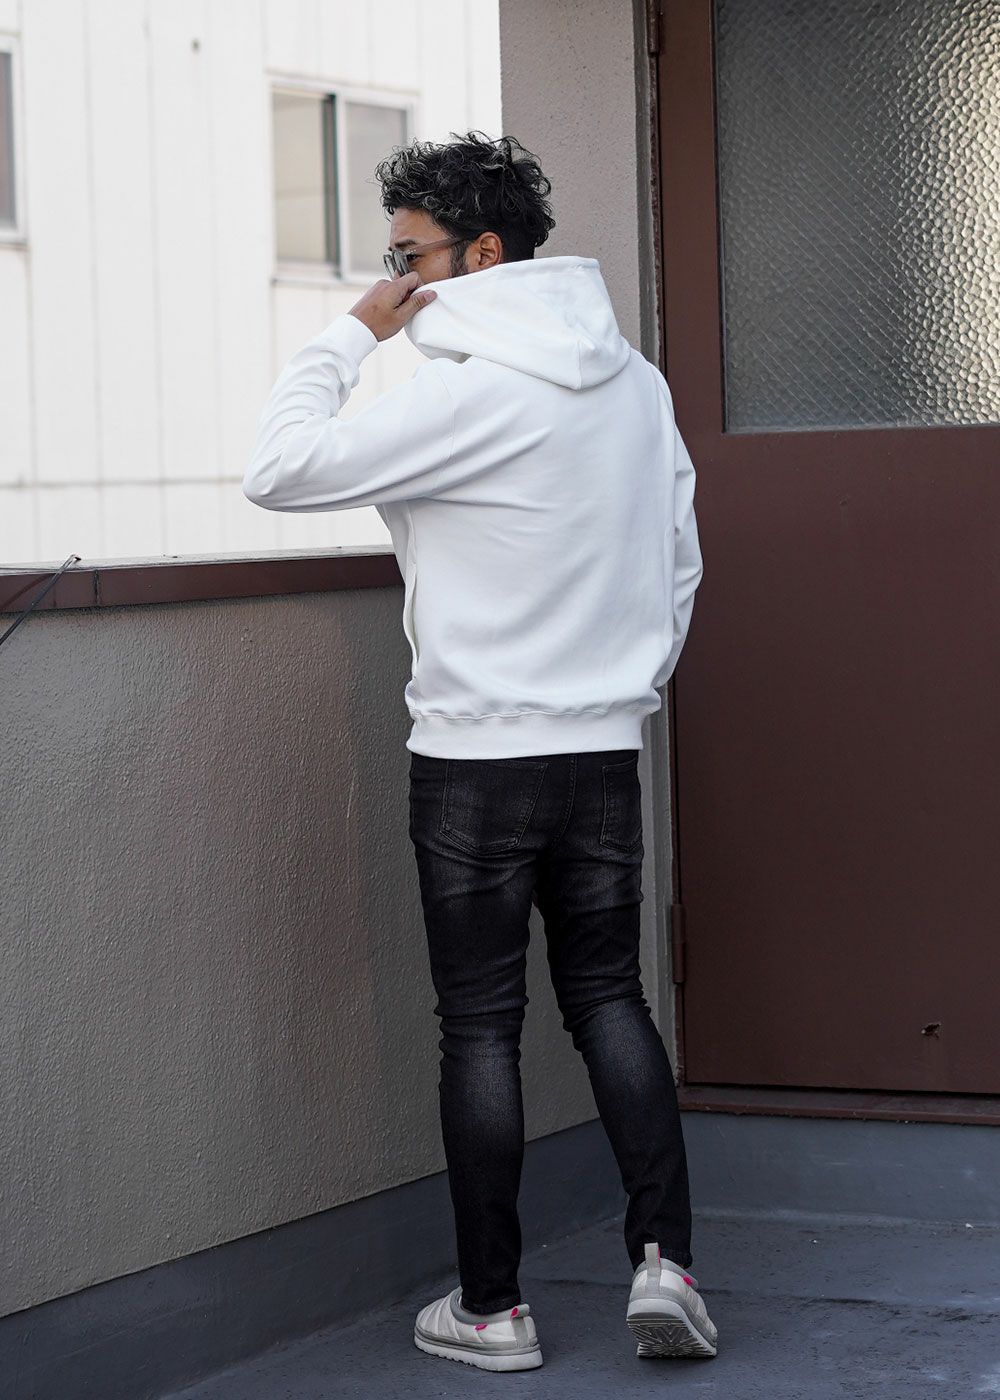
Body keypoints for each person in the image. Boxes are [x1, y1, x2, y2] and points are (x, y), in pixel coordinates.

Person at [243, 130, 715, 1371]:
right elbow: (677, 559)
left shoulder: (459, 393)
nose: (392, 279)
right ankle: (666, 1262)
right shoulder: (634, 382)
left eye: (408, 256)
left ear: (483, 252)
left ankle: (495, 1310)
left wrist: (348, 336)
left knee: (481, 1027)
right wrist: (621, 687)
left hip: (474, 758)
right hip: (600, 747)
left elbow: (277, 468)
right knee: (610, 997)